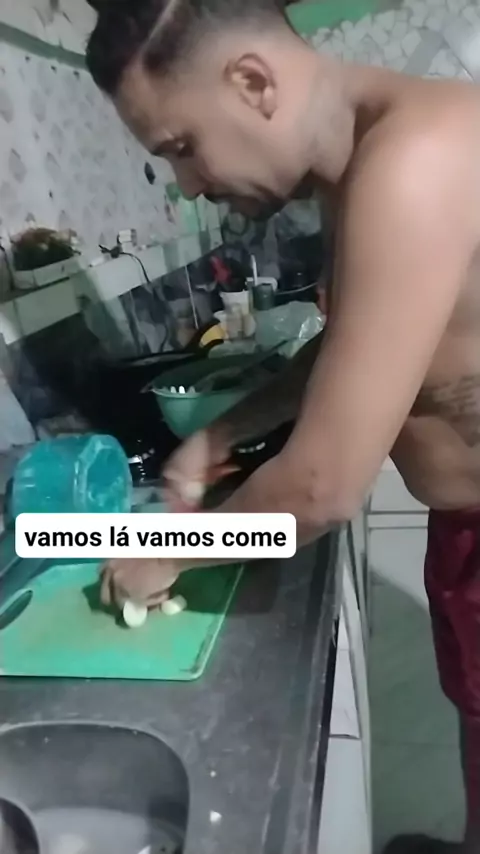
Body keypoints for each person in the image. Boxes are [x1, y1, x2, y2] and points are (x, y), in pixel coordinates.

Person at [85, 2, 480, 850]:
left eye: (182, 147)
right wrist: (221, 433)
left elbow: (322, 487)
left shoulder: (415, 162)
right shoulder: (364, 167)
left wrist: (169, 553)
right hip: (463, 531)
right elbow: (365, 340)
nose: (189, 185)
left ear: (253, 82)